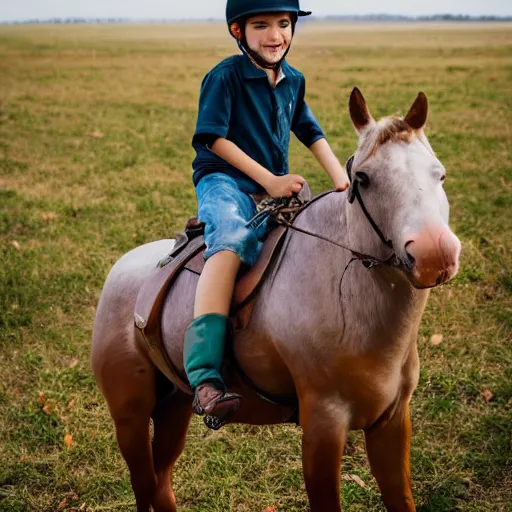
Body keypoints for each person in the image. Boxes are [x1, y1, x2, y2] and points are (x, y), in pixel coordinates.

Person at [184, 0, 349, 428]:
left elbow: (309, 129)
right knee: (234, 241)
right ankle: (204, 375)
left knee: (310, 239)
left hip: (270, 181)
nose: (275, 35)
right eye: (261, 25)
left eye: (283, 23)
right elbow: (212, 140)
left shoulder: (293, 79)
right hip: (225, 180)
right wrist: (271, 182)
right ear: (238, 31)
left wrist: (341, 182)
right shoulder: (225, 77)